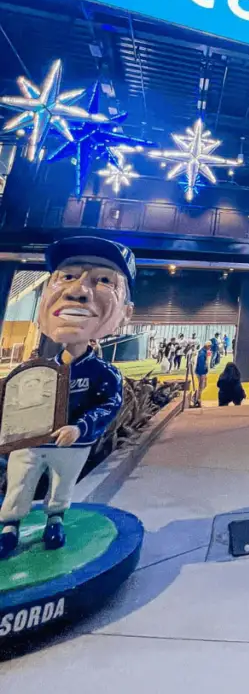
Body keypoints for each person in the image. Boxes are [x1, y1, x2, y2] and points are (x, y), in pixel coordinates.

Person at [0, 236, 131, 559]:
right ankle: (9, 527)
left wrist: (81, 428)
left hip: (71, 445)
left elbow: (108, 404)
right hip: (30, 443)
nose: (78, 290)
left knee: (61, 487)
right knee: (18, 483)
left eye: (103, 280)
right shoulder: (35, 371)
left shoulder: (103, 373)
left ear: (126, 313)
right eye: (68, 276)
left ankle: (55, 521)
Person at [193, 341, 211, 407]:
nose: (210, 347)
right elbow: (201, 364)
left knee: (204, 385)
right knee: (201, 386)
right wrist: (202, 374)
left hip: (202, 371)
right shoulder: (202, 353)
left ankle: (196, 397)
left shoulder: (204, 351)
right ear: (207, 346)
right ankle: (197, 399)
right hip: (201, 372)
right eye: (210, 346)